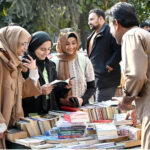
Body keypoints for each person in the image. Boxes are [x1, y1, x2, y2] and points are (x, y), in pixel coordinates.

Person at [106, 2, 150, 149]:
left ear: (116, 23)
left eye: (110, 27)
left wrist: (126, 100)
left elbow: (136, 75)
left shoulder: (130, 36)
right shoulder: (143, 35)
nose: (111, 32)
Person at [0, 26, 42, 148]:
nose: (26, 48)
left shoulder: (13, 62)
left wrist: (33, 71)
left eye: (27, 44)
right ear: (11, 40)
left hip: (10, 127)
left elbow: (22, 90)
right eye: (23, 43)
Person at [52, 28, 96, 107]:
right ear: (61, 44)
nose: (71, 47)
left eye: (73, 43)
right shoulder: (54, 62)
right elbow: (53, 90)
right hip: (62, 109)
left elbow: (92, 87)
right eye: (67, 44)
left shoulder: (84, 60)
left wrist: (82, 100)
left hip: (82, 107)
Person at [22, 31, 59, 116]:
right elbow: (21, 94)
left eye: (49, 49)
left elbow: (55, 91)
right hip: (31, 112)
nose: (46, 52)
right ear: (33, 47)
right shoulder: (25, 64)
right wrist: (39, 91)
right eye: (42, 49)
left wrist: (66, 87)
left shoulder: (50, 64)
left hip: (50, 110)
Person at [87, 9, 121, 102]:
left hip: (107, 80)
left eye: (92, 19)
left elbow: (119, 49)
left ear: (101, 19)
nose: (89, 22)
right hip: (95, 81)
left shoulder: (110, 31)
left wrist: (109, 66)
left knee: (102, 111)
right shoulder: (91, 36)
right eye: (89, 20)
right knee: (99, 111)